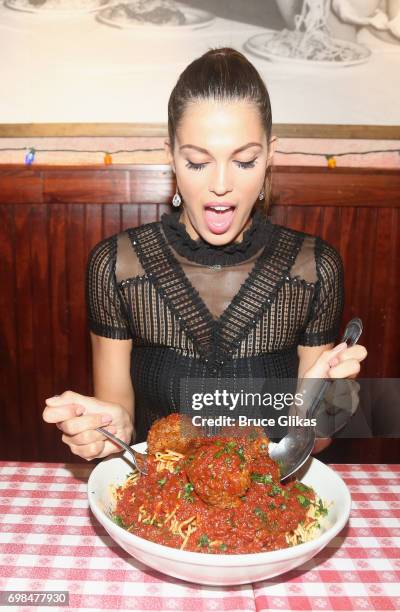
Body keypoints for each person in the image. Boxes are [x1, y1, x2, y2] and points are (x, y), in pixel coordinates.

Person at [42, 47, 367, 461]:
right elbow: (119, 419)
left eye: (245, 161)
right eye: (197, 162)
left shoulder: (314, 268)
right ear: (171, 156)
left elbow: (306, 442)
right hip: (160, 502)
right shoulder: (117, 265)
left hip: (266, 504)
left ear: (270, 155)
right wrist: (110, 430)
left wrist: (326, 409)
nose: (220, 184)